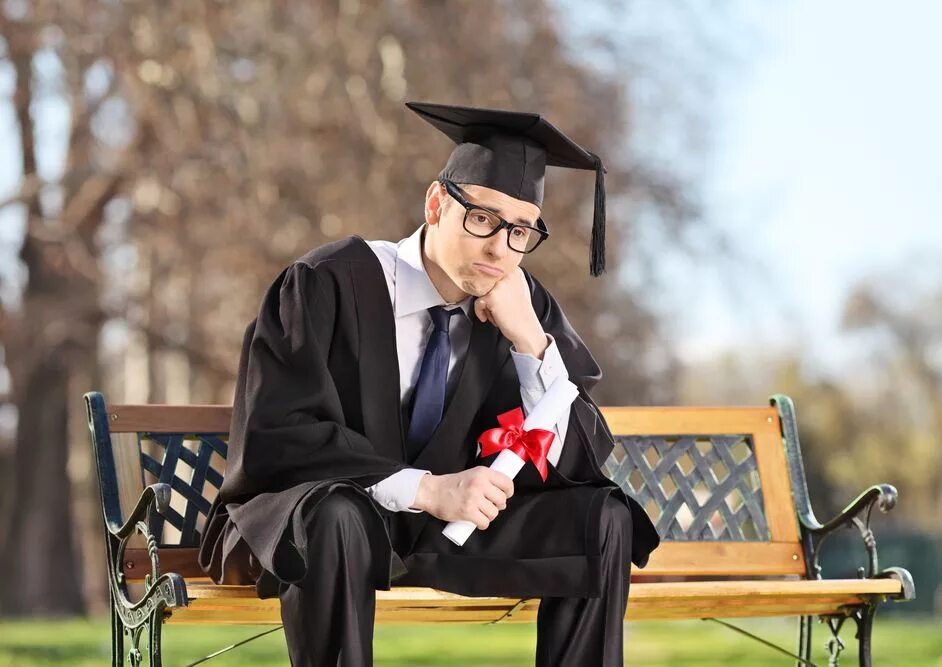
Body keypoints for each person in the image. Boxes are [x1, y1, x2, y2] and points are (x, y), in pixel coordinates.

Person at [198, 101, 660, 666]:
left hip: (443, 534)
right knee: (336, 516)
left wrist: (530, 344)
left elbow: (578, 458)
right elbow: (277, 436)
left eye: (521, 231)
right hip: (311, 526)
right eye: (483, 219)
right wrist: (427, 490)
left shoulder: (521, 303)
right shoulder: (327, 283)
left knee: (603, 518)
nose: (500, 249)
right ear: (437, 203)